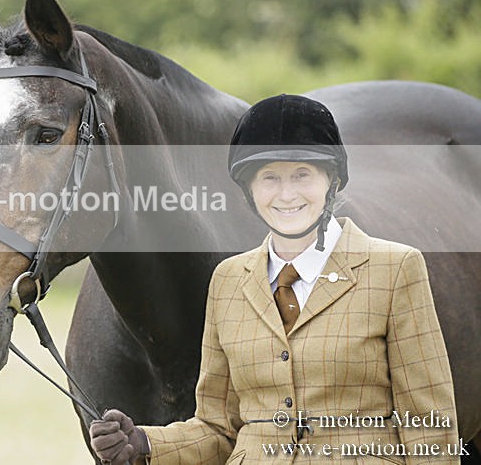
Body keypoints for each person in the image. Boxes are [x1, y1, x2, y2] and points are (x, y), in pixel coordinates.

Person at [89, 94, 459, 464]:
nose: (286, 194)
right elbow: (219, 429)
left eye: (302, 174)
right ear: (249, 190)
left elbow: (429, 425)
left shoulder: (395, 269)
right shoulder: (228, 281)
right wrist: (145, 443)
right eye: (269, 178)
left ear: (331, 180)